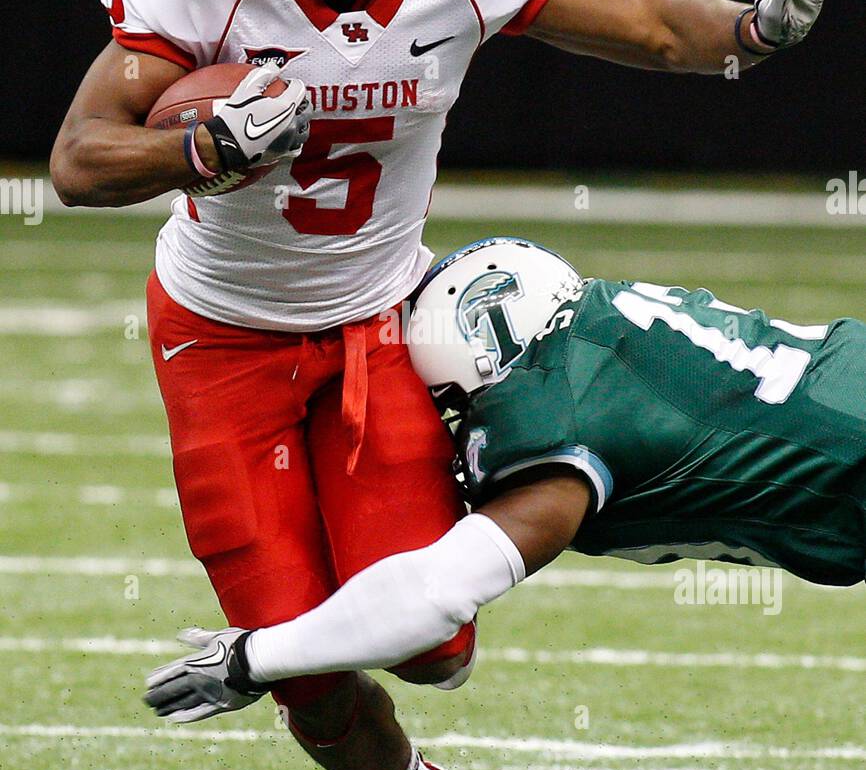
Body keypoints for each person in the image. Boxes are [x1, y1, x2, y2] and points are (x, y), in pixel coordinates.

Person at [53, 0, 837, 770]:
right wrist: (196, 149)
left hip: (381, 316)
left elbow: (649, 30)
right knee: (307, 669)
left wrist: (749, 32)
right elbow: (78, 162)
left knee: (432, 642)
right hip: (220, 337)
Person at [147, 235, 866, 706]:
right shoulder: (599, 314)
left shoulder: (560, 419)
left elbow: (432, 601)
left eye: (456, 409)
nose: (462, 432)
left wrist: (256, 657)